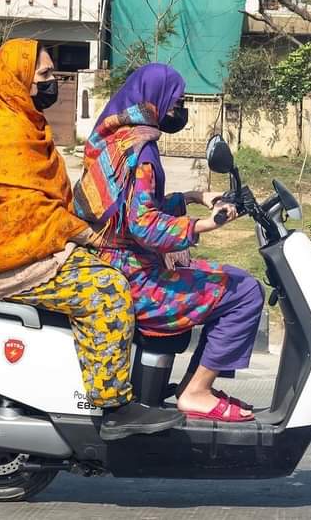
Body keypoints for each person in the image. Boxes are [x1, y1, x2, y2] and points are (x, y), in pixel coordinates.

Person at [0, 39, 182, 440]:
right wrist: (92, 238)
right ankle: (114, 406)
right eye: (43, 76)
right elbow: (27, 214)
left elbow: (51, 207)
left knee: (115, 266)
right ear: (17, 80)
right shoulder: (2, 134)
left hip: (29, 253)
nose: (52, 83)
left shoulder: (26, 124)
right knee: (109, 288)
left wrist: (98, 236)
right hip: (8, 265)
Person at [74, 63, 264, 423]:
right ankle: (196, 392)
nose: (178, 111)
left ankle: (192, 386)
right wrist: (205, 225)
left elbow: (136, 208)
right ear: (156, 99)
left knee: (227, 281)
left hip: (117, 264)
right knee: (244, 290)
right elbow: (143, 224)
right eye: (174, 102)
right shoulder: (141, 151)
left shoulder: (116, 139)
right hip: (138, 281)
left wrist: (193, 195)